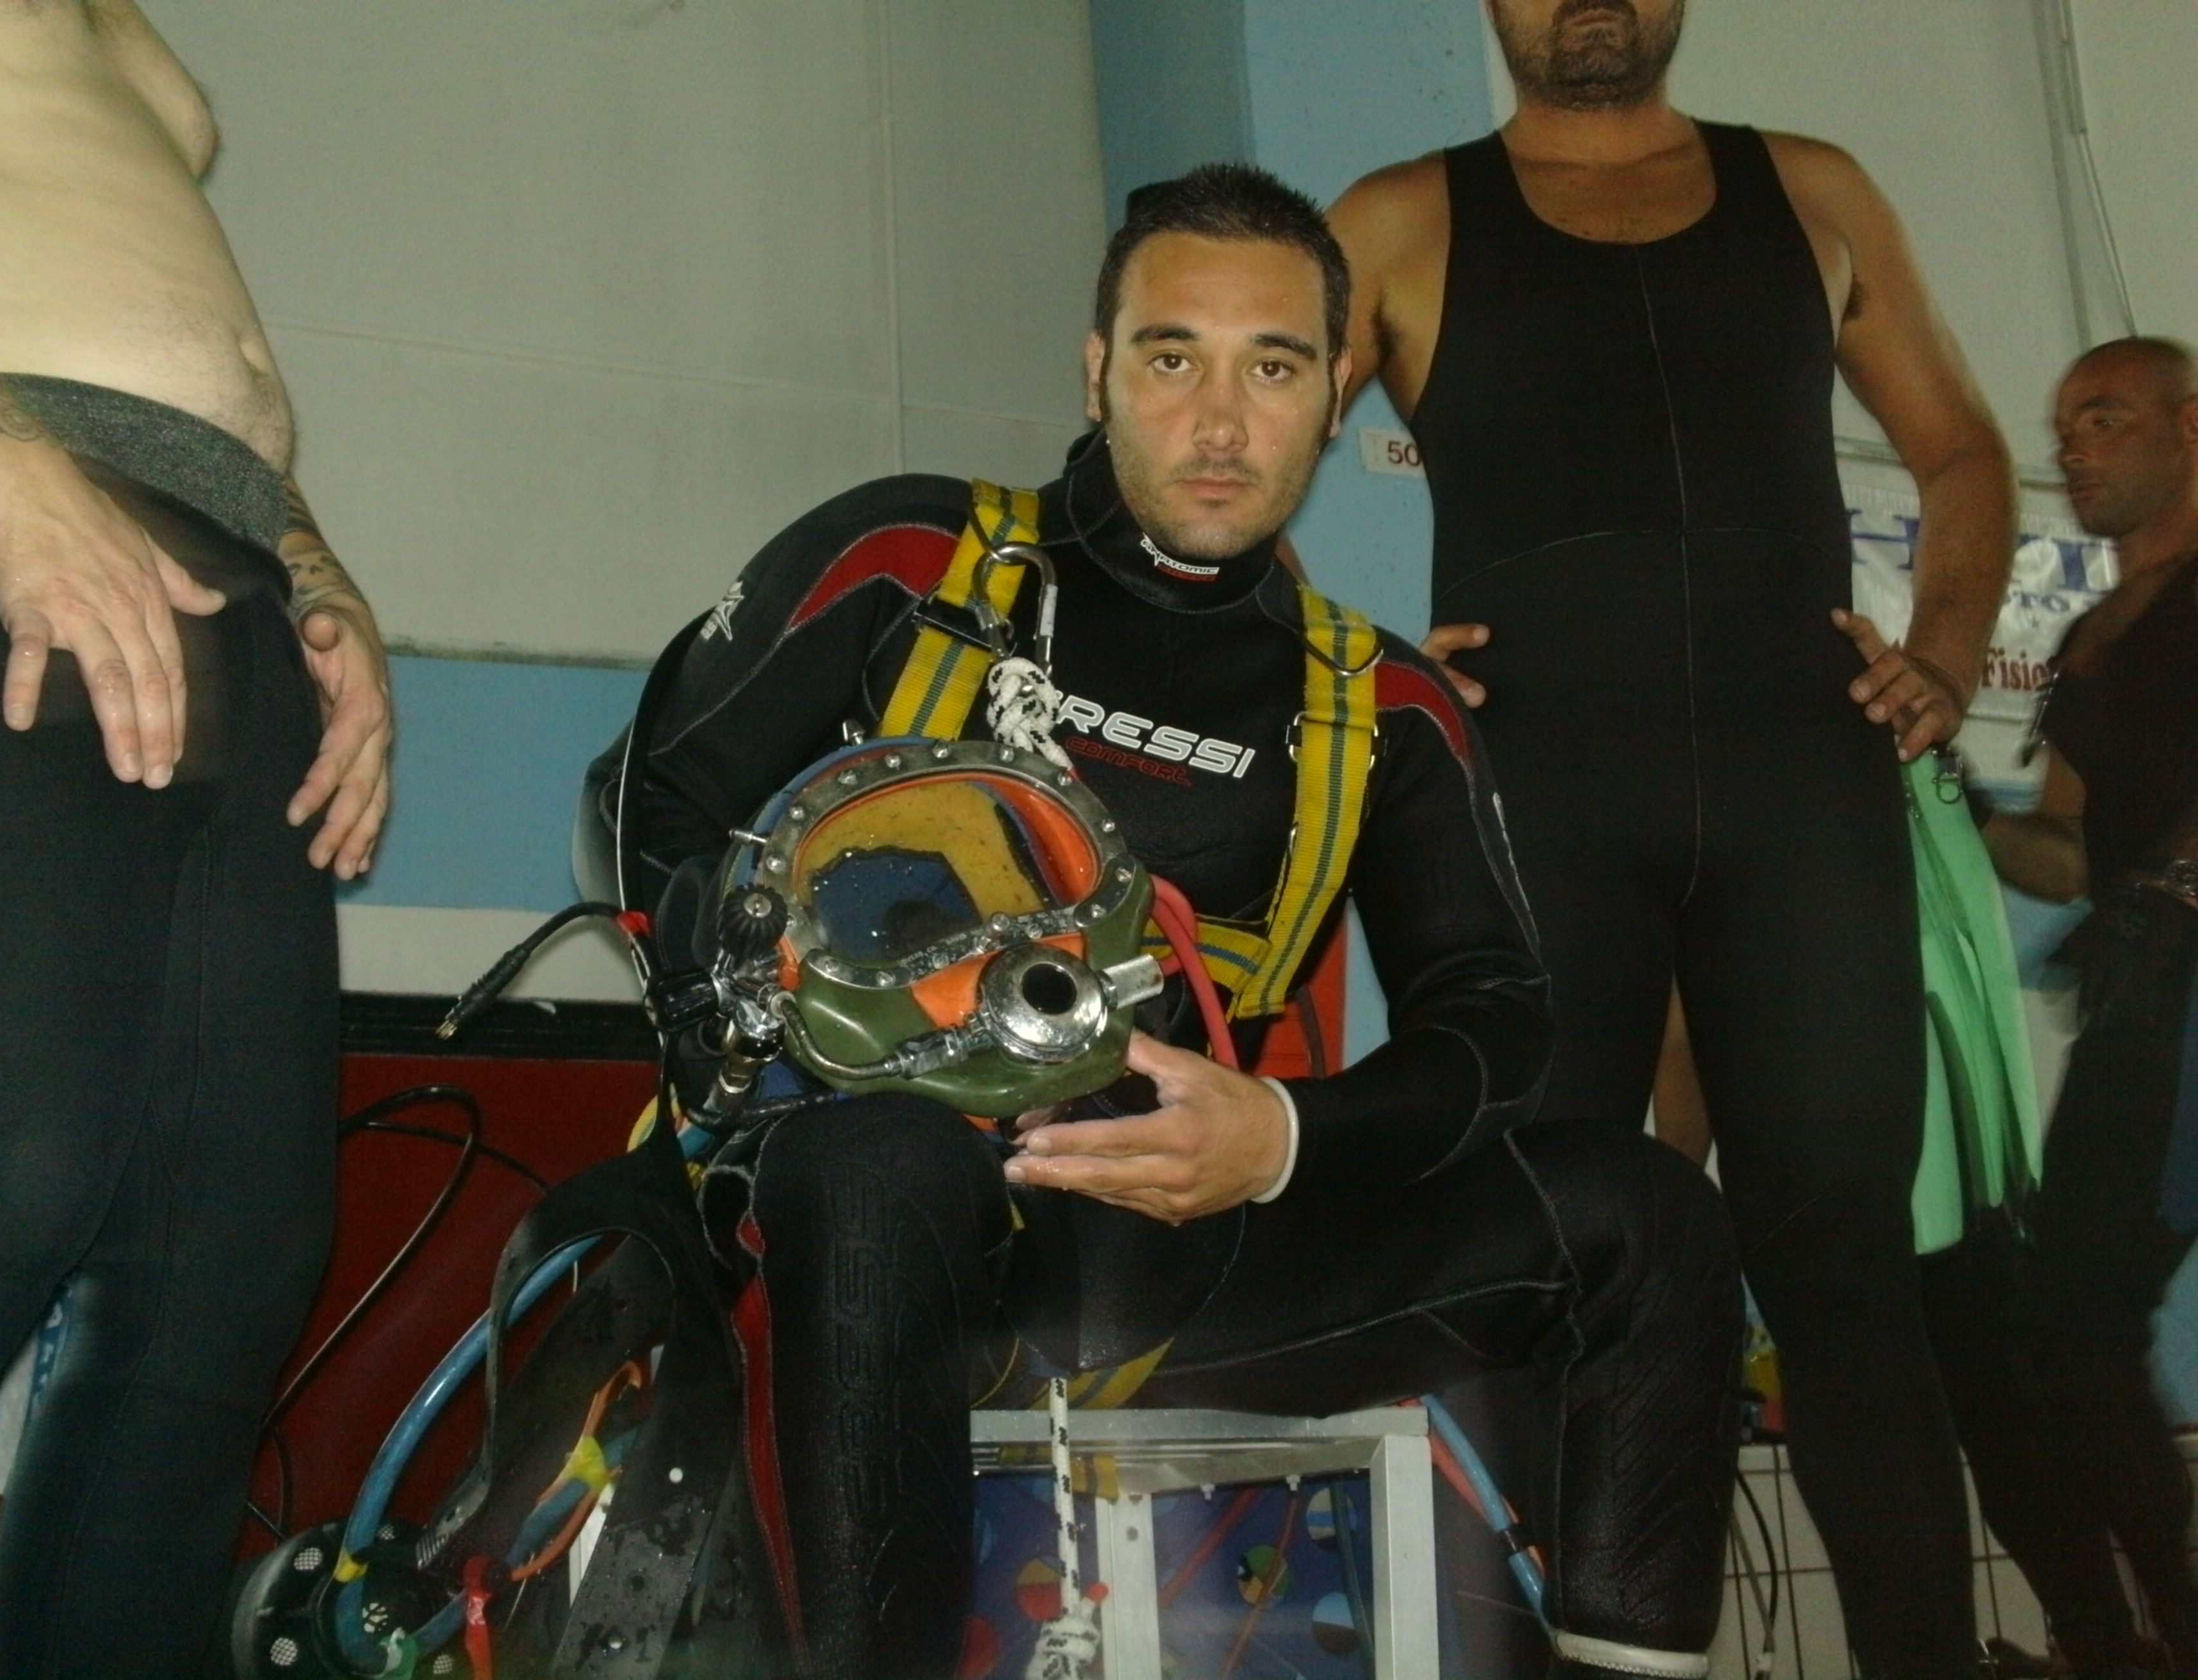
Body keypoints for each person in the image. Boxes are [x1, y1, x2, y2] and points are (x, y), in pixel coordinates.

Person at [584, 163, 1742, 1680]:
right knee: (876, 1165)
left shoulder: (1378, 702)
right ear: (1096, 371)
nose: (1218, 421)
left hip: (1172, 1257)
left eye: (1271, 368)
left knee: (1647, 1214)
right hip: (852, 1220)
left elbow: (1496, 1023)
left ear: (1331, 393)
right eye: (1170, 356)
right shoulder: (910, 563)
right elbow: (644, 798)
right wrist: (764, 1020)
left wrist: (1282, 1137)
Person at [1323, 1, 2018, 1672]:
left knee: (1848, 1279)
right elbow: (1218, 456)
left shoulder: (1813, 191)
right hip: (1539, 796)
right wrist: (1348, 676)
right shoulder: (1398, 219)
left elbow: (1961, 448)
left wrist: (1942, 650)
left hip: (1804, 796)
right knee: (1536, 1258)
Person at [0, 4, 392, 1675]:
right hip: (14, 526)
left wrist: (318, 575)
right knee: (3, 1170)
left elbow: (188, 365)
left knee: (223, 1258)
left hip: (219, 578)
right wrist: (0, 462)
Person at [1984, 336, 2198, 1678]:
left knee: (2073, 1320)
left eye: (2106, 418)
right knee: (2060, 1327)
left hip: (2179, 985)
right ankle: (2140, 1641)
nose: (2073, 447)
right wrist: (1952, 808)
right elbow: (2065, 851)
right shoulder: (2089, 638)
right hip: (2146, 1000)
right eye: (2064, 427)